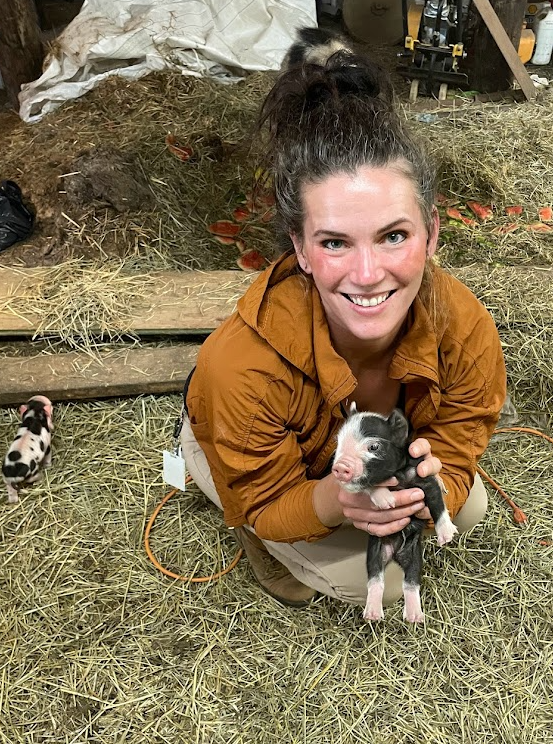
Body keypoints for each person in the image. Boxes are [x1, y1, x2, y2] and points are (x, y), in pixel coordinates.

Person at [181, 43, 507, 610]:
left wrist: (431, 487)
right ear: (300, 248)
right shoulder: (239, 367)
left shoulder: (464, 323)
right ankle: (197, 462)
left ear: (431, 232)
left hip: (362, 459)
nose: (366, 274)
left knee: (468, 507)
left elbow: (459, 439)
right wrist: (334, 500)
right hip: (244, 439)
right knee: (362, 581)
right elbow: (267, 498)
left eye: (394, 236)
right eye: (334, 242)